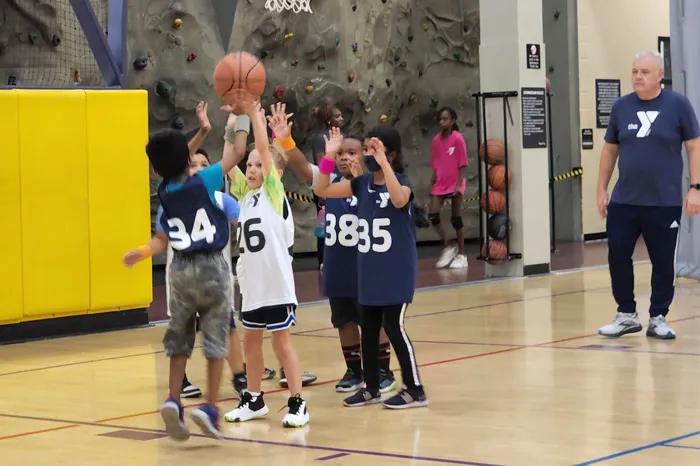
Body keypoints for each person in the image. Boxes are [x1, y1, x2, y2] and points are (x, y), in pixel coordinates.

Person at [122, 104, 243, 441]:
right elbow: (237, 153)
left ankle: (174, 399)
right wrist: (243, 115)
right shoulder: (204, 181)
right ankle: (209, 406)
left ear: (158, 170)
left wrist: (142, 253)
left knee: (179, 339)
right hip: (212, 268)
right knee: (216, 340)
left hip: (179, 271)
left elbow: (160, 240)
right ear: (189, 163)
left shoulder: (165, 192)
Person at [266, 102, 397, 393]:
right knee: (343, 320)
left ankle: (384, 370)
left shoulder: (372, 183)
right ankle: (354, 370)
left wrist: (361, 171)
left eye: (352, 152)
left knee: (374, 322)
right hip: (338, 263)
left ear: (366, 155)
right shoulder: (328, 179)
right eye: (339, 153)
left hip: (367, 265)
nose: (344, 158)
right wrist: (283, 139)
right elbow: (300, 165)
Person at [314, 125, 428, 409]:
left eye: (373, 148)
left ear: (389, 153)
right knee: (369, 329)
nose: (367, 154)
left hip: (396, 274)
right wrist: (328, 157)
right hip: (369, 273)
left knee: (393, 327)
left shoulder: (401, 181)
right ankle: (371, 388)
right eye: (366, 149)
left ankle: (414, 389)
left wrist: (384, 164)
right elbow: (322, 189)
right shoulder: (360, 185)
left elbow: (400, 199)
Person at [597, 50, 700, 340]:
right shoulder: (621, 107)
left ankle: (658, 316)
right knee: (617, 254)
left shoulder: (678, 105)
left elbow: (694, 146)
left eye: (644, 72)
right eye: (634, 72)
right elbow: (610, 150)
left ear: (659, 75)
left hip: (664, 201)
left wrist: (695, 188)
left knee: (663, 260)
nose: (638, 77)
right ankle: (626, 314)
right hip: (624, 200)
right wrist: (601, 189)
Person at [223, 104, 309, 427]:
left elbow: (261, 146)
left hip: (277, 285)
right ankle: (254, 400)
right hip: (253, 286)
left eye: (260, 165)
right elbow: (230, 162)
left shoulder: (274, 193)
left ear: (275, 171)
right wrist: (232, 124)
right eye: (251, 165)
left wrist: (256, 117)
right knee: (253, 345)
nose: (254, 168)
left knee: (281, 344)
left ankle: (298, 403)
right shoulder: (245, 195)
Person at [429, 107, 469, 269]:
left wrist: (459, 185)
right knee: (433, 216)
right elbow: (436, 162)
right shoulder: (436, 140)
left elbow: (463, 163)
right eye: (440, 119)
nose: (441, 122)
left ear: (452, 121)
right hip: (440, 183)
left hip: (455, 183)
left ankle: (461, 254)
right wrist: (432, 179)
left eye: (445, 119)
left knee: (456, 219)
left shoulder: (458, 139)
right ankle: (448, 245)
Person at [311, 99, 345, 271]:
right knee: (325, 222)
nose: (341, 119)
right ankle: (323, 259)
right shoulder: (320, 138)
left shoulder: (341, 138)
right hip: (325, 183)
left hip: (340, 185)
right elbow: (320, 163)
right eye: (337, 116)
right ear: (329, 119)